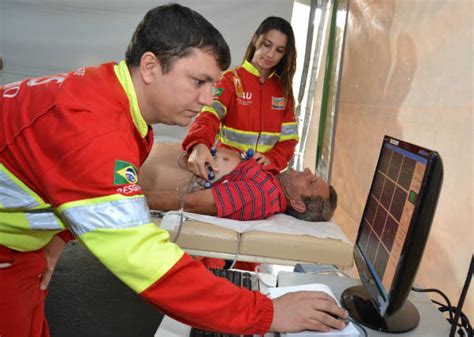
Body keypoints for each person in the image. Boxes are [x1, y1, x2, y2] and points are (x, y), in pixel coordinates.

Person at [0, 4, 348, 337]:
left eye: (213, 85)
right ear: (150, 67)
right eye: (199, 82)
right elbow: (145, 260)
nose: (209, 98)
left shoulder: (111, 95)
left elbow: (55, 170)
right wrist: (268, 312)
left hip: (25, 250)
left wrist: (60, 232)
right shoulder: (98, 132)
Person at [182, 16, 299, 180]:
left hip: (262, 176)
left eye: (279, 50)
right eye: (267, 45)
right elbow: (209, 117)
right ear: (255, 39)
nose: (270, 54)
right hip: (226, 172)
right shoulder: (230, 80)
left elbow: (289, 141)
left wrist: (272, 159)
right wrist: (199, 143)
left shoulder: (284, 90)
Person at [140, 142, 337, 222]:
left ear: (298, 203)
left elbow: (193, 203)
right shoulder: (270, 179)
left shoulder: (262, 195)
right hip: (140, 157)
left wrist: (128, 198)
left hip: (137, 176)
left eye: (310, 182)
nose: (308, 171)